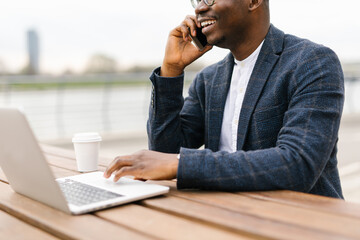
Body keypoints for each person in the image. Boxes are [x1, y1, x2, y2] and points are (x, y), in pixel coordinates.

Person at [104, 0, 345, 199]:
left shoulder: (312, 62)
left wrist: (180, 164)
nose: (199, 8)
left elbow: (298, 164)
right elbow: (164, 152)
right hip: (226, 215)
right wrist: (171, 69)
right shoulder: (209, 79)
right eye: (197, 0)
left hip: (302, 222)